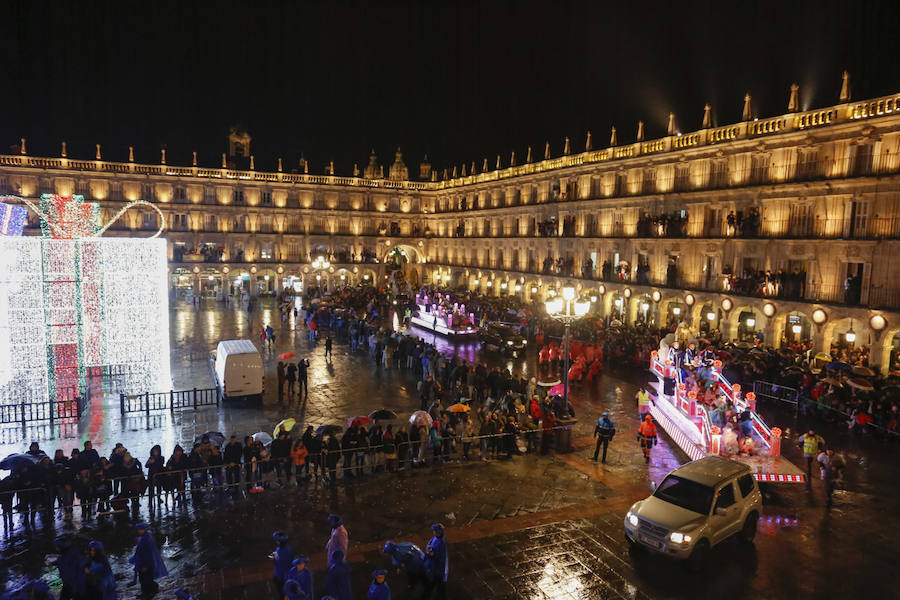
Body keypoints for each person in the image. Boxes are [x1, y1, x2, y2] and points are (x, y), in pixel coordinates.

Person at [130, 522, 168, 597]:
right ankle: (150, 591)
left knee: (145, 579)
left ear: (144, 530)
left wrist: (145, 565)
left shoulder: (146, 539)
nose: (138, 531)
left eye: (140, 529)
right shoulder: (145, 537)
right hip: (144, 562)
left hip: (146, 563)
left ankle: (147, 593)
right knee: (145, 579)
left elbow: (148, 554)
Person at [52, 536, 86, 600]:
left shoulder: (73, 556)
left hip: (75, 586)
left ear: (61, 547)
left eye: (57, 547)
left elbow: (76, 571)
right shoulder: (64, 556)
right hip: (69, 585)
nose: (56, 549)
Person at [424, 523, 449, 598]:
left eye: (434, 531)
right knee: (438, 584)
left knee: (435, 583)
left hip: (437, 569)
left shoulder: (441, 543)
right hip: (435, 568)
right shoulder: (437, 538)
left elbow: (439, 556)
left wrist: (431, 554)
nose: (433, 532)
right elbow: (430, 543)